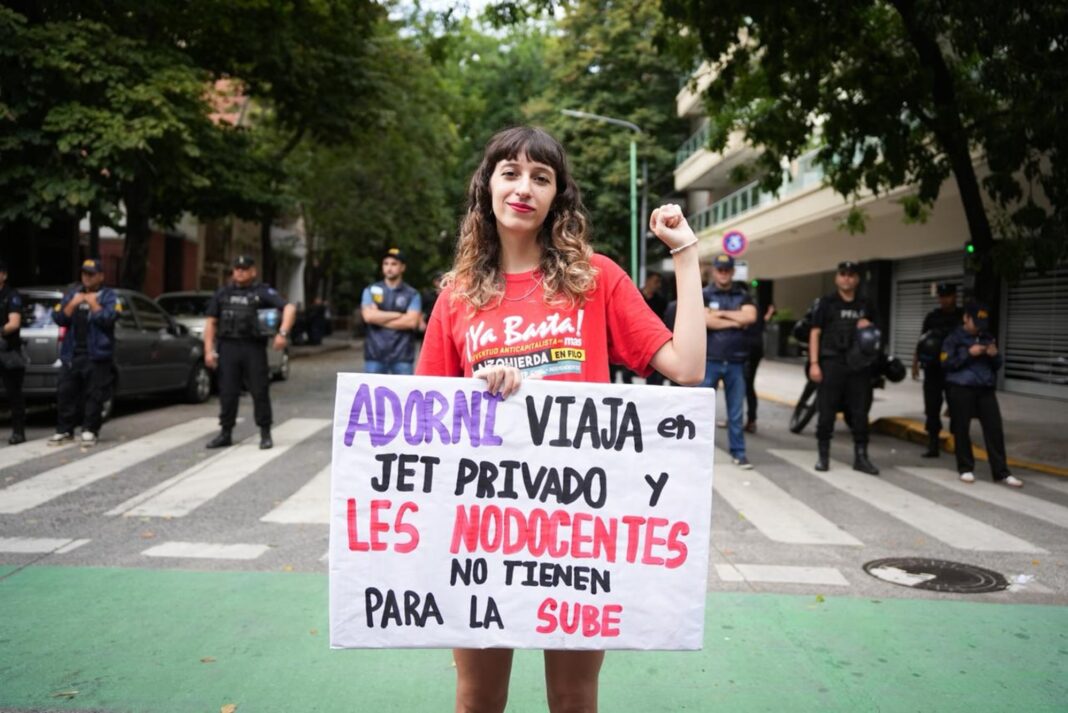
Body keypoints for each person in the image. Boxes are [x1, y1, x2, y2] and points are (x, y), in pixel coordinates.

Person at [417, 126, 705, 713]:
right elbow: (427, 422)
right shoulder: (457, 297)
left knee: (574, 699)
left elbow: (688, 366)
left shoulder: (596, 279)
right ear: (487, 188)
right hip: (482, 532)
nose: (524, 188)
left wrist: (686, 253)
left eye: (541, 177)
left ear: (557, 197)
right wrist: (480, 395)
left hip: (576, 533)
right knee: (477, 700)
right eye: (511, 173)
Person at [203, 255, 296, 450]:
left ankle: (265, 432)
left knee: (259, 391)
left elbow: (288, 308)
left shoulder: (261, 292)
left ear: (253, 271)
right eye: (237, 268)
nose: (240, 271)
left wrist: (282, 333)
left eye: (244, 268)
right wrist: (208, 350)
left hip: (253, 348)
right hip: (228, 347)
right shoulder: (223, 294)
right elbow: (211, 322)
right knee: (228, 392)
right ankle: (225, 432)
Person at [808, 260, 880, 474]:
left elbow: (877, 334)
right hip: (831, 363)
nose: (846, 278)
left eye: (851, 275)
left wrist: (869, 326)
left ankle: (861, 456)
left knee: (859, 413)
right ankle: (823, 456)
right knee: (826, 412)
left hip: (859, 365)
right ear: (836, 277)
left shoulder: (866, 304)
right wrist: (814, 364)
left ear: (857, 279)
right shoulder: (826, 303)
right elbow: (815, 333)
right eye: (843, 274)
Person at [942, 303, 1023, 487]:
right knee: (962, 429)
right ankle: (965, 468)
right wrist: (969, 354)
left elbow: (997, 365)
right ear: (966, 318)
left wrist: (994, 355)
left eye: (981, 323)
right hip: (961, 388)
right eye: (975, 322)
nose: (978, 326)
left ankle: (1001, 471)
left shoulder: (986, 336)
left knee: (994, 429)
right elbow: (946, 364)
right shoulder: (954, 337)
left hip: (985, 388)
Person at [49, 258, 118, 447]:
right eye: (84, 274)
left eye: (91, 274)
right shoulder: (72, 294)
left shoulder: (109, 296)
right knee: (66, 391)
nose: (86, 277)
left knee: (94, 393)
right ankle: (64, 430)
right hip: (72, 353)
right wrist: (73, 304)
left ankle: (90, 429)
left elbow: (110, 318)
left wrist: (94, 305)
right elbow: (59, 317)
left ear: (101, 276)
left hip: (96, 354)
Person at [702, 254, 757, 468]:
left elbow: (750, 318)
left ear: (732, 271)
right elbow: (704, 321)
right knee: (702, 409)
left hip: (736, 361)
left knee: (735, 412)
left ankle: (739, 452)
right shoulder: (704, 294)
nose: (723, 273)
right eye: (720, 269)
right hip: (710, 359)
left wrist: (719, 315)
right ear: (714, 271)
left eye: (727, 270)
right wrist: (736, 320)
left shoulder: (743, 294)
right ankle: (698, 453)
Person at [912, 282, 963, 457]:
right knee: (932, 407)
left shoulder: (962, 316)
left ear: (955, 296)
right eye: (942, 296)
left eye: (948, 296)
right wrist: (915, 363)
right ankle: (933, 443)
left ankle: (958, 442)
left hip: (955, 370)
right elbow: (922, 340)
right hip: (933, 369)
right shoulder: (932, 317)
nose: (944, 300)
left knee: (957, 406)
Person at [360, 248, 422, 374]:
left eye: (394, 264)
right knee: (372, 393)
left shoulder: (412, 294)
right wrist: (399, 315)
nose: (389, 267)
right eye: (386, 263)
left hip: (402, 356)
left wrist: (378, 317)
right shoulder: (370, 290)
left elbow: (411, 322)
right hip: (374, 355)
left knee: (404, 393)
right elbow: (368, 317)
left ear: (403, 267)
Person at [0, 260, 27, 444]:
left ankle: (18, 432)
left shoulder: (11, 296)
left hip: (7, 351)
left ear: (4, 275)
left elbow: (14, 323)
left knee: (13, 393)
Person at [743, 301, 775, 433]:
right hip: (755, 351)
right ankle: (751, 420)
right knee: (748, 386)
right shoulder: (756, 308)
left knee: (745, 386)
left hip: (747, 352)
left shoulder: (744, 309)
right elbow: (764, 321)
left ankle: (751, 420)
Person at [641, 271, 669, 385]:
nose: (658, 285)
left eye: (659, 283)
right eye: (656, 282)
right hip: (637, 337)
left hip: (653, 339)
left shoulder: (661, 301)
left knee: (654, 375)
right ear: (648, 281)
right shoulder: (636, 295)